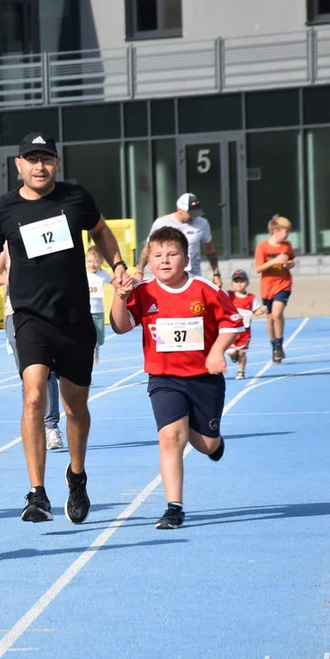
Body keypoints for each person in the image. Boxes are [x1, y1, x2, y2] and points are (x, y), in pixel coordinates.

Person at [0, 131, 129, 525]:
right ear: (18, 165)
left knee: (74, 406)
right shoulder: (3, 209)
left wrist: (118, 265)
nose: (39, 166)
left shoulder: (76, 198)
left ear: (56, 164)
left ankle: (77, 478)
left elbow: (100, 231)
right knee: (33, 397)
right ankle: (37, 492)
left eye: (46, 158)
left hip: (75, 318)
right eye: (31, 159)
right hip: (29, 317)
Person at [109, 226, 243, 529]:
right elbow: (120, 326)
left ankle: (215, 441)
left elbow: (232, 322)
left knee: (205, 445)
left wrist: (216, 352)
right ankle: (174, 507)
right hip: (164, 377)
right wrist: (120, 296)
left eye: (172, 255)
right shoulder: (143, 291)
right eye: (157, 256)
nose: (164, 261)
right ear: (149, 260)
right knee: (170, 438)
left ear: (186, 259)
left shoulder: (204, 289)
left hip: (203, 377)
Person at [0, 246, 64, 450]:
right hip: (15, 312)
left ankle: (51, 427)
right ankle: (34, 423)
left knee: (47, 371)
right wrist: (11, 278)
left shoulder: (45, 237)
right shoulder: (6, 242)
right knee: (28, 372)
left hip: (46, 310)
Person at [134, 193, 222, 288]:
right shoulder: (161, 223)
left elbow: (210, 250)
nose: (193, 217)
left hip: (193, 276)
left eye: (195, 213)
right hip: (167, 276)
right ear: (179, 209)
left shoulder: (202, 223)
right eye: (190, 213)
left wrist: (216, 274)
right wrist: (139, 271)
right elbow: (148, 248)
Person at [254, 215, 296, 364]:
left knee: (278, 313)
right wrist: (275, 261)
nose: (287, 235)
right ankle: (274, 347)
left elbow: (292, 261)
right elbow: (258, 268)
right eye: (285, 231)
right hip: (267, 287)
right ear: (275, 231)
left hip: (283, 284)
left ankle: (279, 344)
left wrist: (288, 264)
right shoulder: (263, 247)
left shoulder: (287, 245)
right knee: (270, 317)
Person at [224, 269, 266, 380]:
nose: (239, 284)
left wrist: (261, 310)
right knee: (231, 351)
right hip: (231, 330)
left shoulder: (251, 298)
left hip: (244, 332)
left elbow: (256, 310)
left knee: (242, 353)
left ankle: (241, 371)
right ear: (232, 283)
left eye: (242, 281)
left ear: (247, 283)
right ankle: (233, 355)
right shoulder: (229, 295)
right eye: (236, 281)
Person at [85, 246, 112, 364]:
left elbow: (114, 282)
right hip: (85, 311)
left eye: (96, 261)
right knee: (87, 338)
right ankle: (88, 353)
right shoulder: (84, 273)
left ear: (101, 261)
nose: (92, 264)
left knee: (100, 339)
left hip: (98, 311)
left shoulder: (103, 274)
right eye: (89, 261)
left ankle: (96, 347)